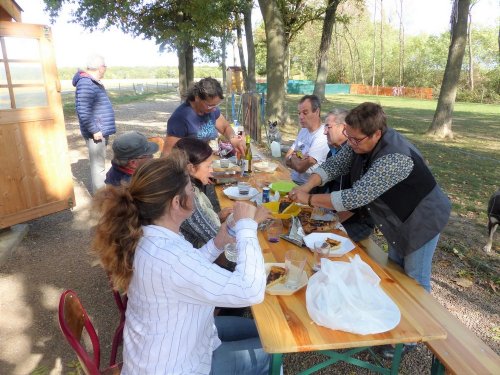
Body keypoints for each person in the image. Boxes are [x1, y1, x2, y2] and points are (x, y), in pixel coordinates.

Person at [92, 153, 270, 374]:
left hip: (176, 347)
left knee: (266, 333)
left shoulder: (150, 236)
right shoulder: (169, 255)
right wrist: (246, 226)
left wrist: (217, 242)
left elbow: (186, 270)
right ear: (176, 202)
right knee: (273, 353)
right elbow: (250, 290)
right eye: (190, 190)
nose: (193, 194)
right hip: (180, 366)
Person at [289, 102, 451, 293]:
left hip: (423, 218)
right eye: (348, 136)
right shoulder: (358, 139)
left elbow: (355, 197)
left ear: (376, 134)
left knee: (415, 280)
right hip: (398, 215)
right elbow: (334, 166)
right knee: (397, 274)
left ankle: (424, 321)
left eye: (355, 140)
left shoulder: (394, 158)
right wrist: (306, 187)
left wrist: (308, 199)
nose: (350, 143)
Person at [323, 108, 375, 242]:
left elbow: (355, 204)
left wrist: (330, 224)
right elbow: (322, 186)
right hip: (335, 214)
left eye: (328, 127)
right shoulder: (333, 152)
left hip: (357, 220)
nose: (324, 132)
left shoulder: (357, 155)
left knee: (322, 242)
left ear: (343, 127)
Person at [163, 77, 245, 156]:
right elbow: (168, 153)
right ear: (197, 98)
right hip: (189, 164)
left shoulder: (211, 109)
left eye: (216, 105)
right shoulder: (180, 118)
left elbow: (225, 127)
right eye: (210, 105)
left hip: (205, 158)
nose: (214, 109)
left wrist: (233, 138)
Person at [72, 54, 116, 193]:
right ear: (100, 67)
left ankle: (101, 194)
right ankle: (100, 199)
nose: (106, 69)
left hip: (100, 130)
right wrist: (95, 130)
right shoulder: (86, 82)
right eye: (105, 66)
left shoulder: (91, 81)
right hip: (96, 132)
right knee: (98, 167)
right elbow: (83, 110)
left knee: (100, 164)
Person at [284, 95, 329, 186]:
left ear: (316, 112)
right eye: (299, 113)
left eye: (305, 113)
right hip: (292, 181)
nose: (301, 117)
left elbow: (301, 167)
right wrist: (297, 157)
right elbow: (287, 158)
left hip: (308, 188)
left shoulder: (322, 136)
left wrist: (295, 156)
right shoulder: (303, 130)